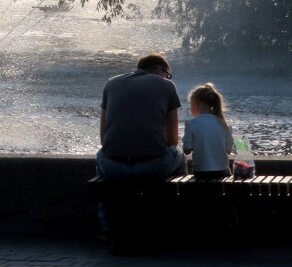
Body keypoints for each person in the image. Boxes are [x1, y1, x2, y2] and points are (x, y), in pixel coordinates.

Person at [96, 52, 186, 180]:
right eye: (168, 75)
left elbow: (103, 139)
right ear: (158, 70)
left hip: (112, 167)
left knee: (101, 154)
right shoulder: (167, 85)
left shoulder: (111, 83)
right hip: (153, 167)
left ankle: (103, 193)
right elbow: (172, 140)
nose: (168, 78)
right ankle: (177, 193)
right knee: (180, 155)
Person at [182, 82, 233, 179]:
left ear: (197, 103)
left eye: (190, 104)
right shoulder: (225, 124)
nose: (190, 109)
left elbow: (187, 150)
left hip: (201, 173)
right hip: (223, 172)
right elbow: (228, 151)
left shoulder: (191, 124)